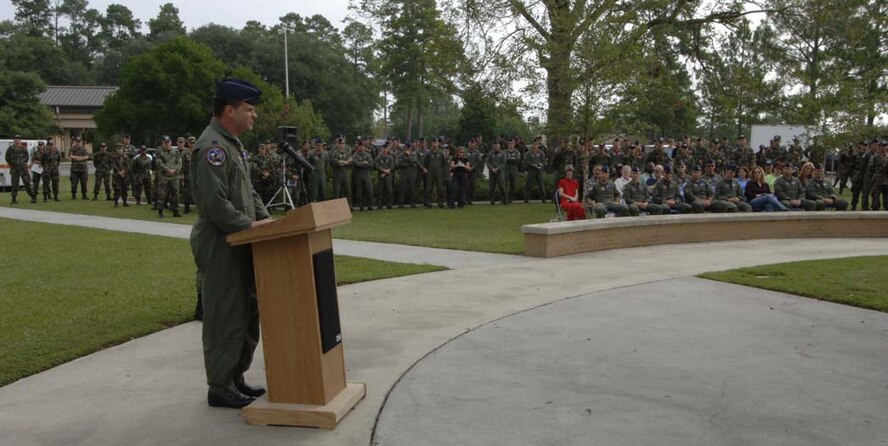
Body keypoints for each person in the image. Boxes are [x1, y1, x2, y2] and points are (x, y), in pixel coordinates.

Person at [190, 78, 273, 409]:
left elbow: (248, 193)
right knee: (225, 314)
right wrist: (249, 226)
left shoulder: (232, 144)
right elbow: (214, 203)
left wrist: (268, 222)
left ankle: (235, 377)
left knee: (246, 312)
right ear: (229, 110)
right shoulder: (212, 147)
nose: (253, 116)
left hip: (243, 239)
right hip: (222, 243)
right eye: (248, 109)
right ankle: (220, 386)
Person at [155, 136, 182, 217]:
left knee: (175, 193)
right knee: (162, 194)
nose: (167, 144)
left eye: (168, 142)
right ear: (163, 143)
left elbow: (179, 162)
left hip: (174, 176)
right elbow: (159, 163)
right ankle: (160, 211)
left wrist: (175, 170)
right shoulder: (160, 152)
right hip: (164, 176)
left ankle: (175, 210)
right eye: (165, 143)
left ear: (171, 142)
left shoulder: (176, 151)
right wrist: (168, 170)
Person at [5, 137, 37, 204]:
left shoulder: (23, 148)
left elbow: (27, 157)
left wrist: (23, 163)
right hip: (14, 169)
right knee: (14, 184)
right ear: (13, 141)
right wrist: (12, 164)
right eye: (15, 139)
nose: (17, 141)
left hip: (23, 168)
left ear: (20, 141)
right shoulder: (10, 149)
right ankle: (14, 199)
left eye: (18, 139)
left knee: (27, 183)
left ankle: (33, 196)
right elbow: (7, 157)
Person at [423, 138, 447, 208]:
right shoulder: (428, 153)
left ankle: (440, 203)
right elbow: (425, 163)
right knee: (429, 188)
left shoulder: (441, 153)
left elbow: (444, 164)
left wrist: (443, 172)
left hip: (439, 173)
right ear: (431, 144)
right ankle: (428, 203)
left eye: (436, 143)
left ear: (438, 144)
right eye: (433, 143)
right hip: (430, 173)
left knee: (440, 188)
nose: (434, 144)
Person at [351, 140, 374, 210]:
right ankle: (361, 206)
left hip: (366, 174)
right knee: (359, 191)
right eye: (360, 146)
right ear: (358, 147)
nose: (361, 147)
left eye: (363, 146)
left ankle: (370, 205)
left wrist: (362, 163)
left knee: (369, 190)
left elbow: (371, 164)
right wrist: (364, 163)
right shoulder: (355, 155)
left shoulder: (367, 154)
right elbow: (356, 164)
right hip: (358, 174)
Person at [523, 139, 547, 203]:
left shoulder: (541, 152)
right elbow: (525, 160)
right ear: (532, 145)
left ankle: (544, 199)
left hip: (539, 171)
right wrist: (532, 164)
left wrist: (541, 164)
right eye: (534, 144)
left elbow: (544, 161)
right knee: (529, 185)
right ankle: (526, 199)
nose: (535, 145)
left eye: (536, 144)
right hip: (531, 170)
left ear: (538, 145)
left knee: (541, 185)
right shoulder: (528, 153)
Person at [375, 142, 396, 209]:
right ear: (382, 149)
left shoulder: (390, 157)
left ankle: (389, 204)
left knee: (389, 190)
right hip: (381, 176)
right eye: (384, 148)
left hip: (388, 176)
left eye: (386, 148)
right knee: (380, 190)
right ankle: (380, 204)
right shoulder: (378, 158)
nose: (385, 149)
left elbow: (392, 166)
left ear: (388, 149)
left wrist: (386, 172)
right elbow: (376, 166)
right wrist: (383, 171)